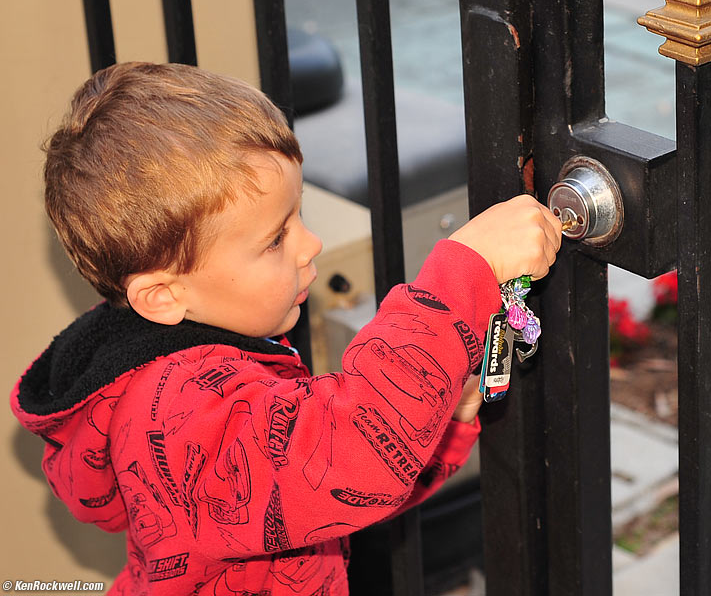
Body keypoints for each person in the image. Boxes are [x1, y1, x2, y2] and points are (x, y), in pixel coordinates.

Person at [10, 62, 562, 596]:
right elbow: (349, 454)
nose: (310, 244)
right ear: (164, 296)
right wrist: (467, 270)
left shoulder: (202, 357)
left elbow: (329, 500)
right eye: (275, 239)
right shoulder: (182, 414)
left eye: (298, 213)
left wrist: (445, 419)